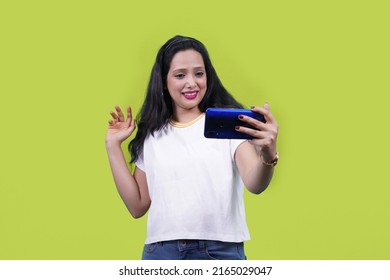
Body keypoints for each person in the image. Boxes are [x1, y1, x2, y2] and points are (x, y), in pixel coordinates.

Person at [105, 35, 279, 260]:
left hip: (220, 251)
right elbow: (137, 206)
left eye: (199, 73)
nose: (191, 83)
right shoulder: (152, 134)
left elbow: (255, 184)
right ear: (164, 81)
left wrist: (268, 153)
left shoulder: (229, 125)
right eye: (180, 75)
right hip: (161, 254)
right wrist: (112, 146)